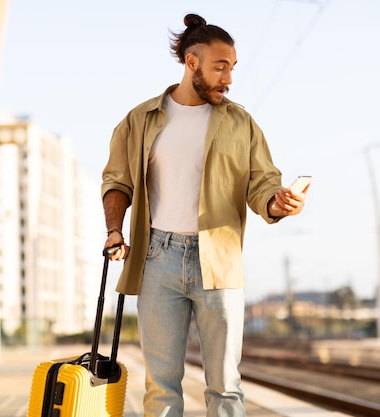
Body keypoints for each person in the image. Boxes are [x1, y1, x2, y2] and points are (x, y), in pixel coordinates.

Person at [101, 13, 307, 417]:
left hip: (220, 259)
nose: (228, 78)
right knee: (160, 386)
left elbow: (262, 182)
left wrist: (277, 203)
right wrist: (113, 231)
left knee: (226, 386)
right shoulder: (140, 120)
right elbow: (117, 181)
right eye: (220, 66)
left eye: (232, 67)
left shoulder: (241, 123)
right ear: (191, 63)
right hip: (157, 258)